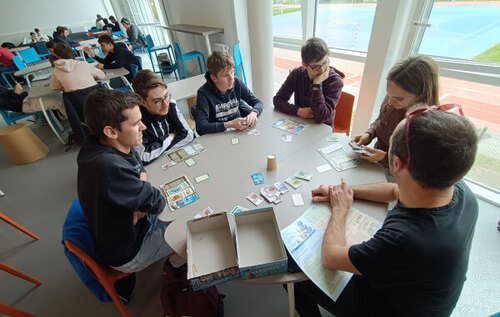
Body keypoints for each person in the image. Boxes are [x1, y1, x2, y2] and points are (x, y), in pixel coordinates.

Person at [294, 105, 478, 317]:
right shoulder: (459, 190)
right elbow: (393, 190)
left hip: (386, 307)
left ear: (396, 164)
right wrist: (345, 192)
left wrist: (340, 208)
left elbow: (331, 257)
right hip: (424, 296)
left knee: (297, 271)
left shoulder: (406, 240)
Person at [77, 88, 175, 273]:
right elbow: (156, 201)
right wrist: (141, 201)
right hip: (130, 252)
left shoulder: (102, 142)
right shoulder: (107, 166)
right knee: (192, 228)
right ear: (111, 131)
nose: (143, 127)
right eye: (136, 123)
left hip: (135, 226)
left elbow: (141, 169)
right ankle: (176, 266)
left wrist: (139, 205)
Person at [352, 55, 440, 168]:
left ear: (421, 95)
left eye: (399, 98)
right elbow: (381, 120)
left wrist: (384, 157)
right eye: (388, 93)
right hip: (376, 164)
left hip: (397, 173)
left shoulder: (426, 124)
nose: (390, 102)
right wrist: (369, 134)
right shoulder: (393, 97)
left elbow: (415, 166)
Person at [273, 37, 344, 126]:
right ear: (304, 64)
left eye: (325, 62)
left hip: (323, 128)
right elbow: (278, 100)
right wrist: (298, 111)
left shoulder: (335, 82)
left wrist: (317, 85)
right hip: (301, 123)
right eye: (316, 66)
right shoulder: (297, 73)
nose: (322, 70)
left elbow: (322, 117)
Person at [193, 50, 263, 135]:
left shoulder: (237, 83)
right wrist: (229, 124)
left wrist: (253, 113)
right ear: (214, 78)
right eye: (225, 75)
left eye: (232, 72)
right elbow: (201, 127)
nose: (231, 78)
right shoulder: (203, 93)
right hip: (218, 134)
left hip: (238, 131)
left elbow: (258, 102)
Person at [132, 69, 194, 165]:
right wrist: (170, 137)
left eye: (166, 96)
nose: (165, 104)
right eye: (157, 101)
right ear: (143, 102)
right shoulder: (135, 119)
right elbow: (144, 157)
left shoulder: (171, 104)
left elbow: (188, 136)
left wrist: (156, 151)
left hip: (169, 161)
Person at [0, 82, 66, 116]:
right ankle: (75, 124)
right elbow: (10, 105)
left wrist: (15, 91)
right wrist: (16, 93)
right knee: (60, 103)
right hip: (24, 104)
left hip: (25, 97)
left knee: (56, 94)